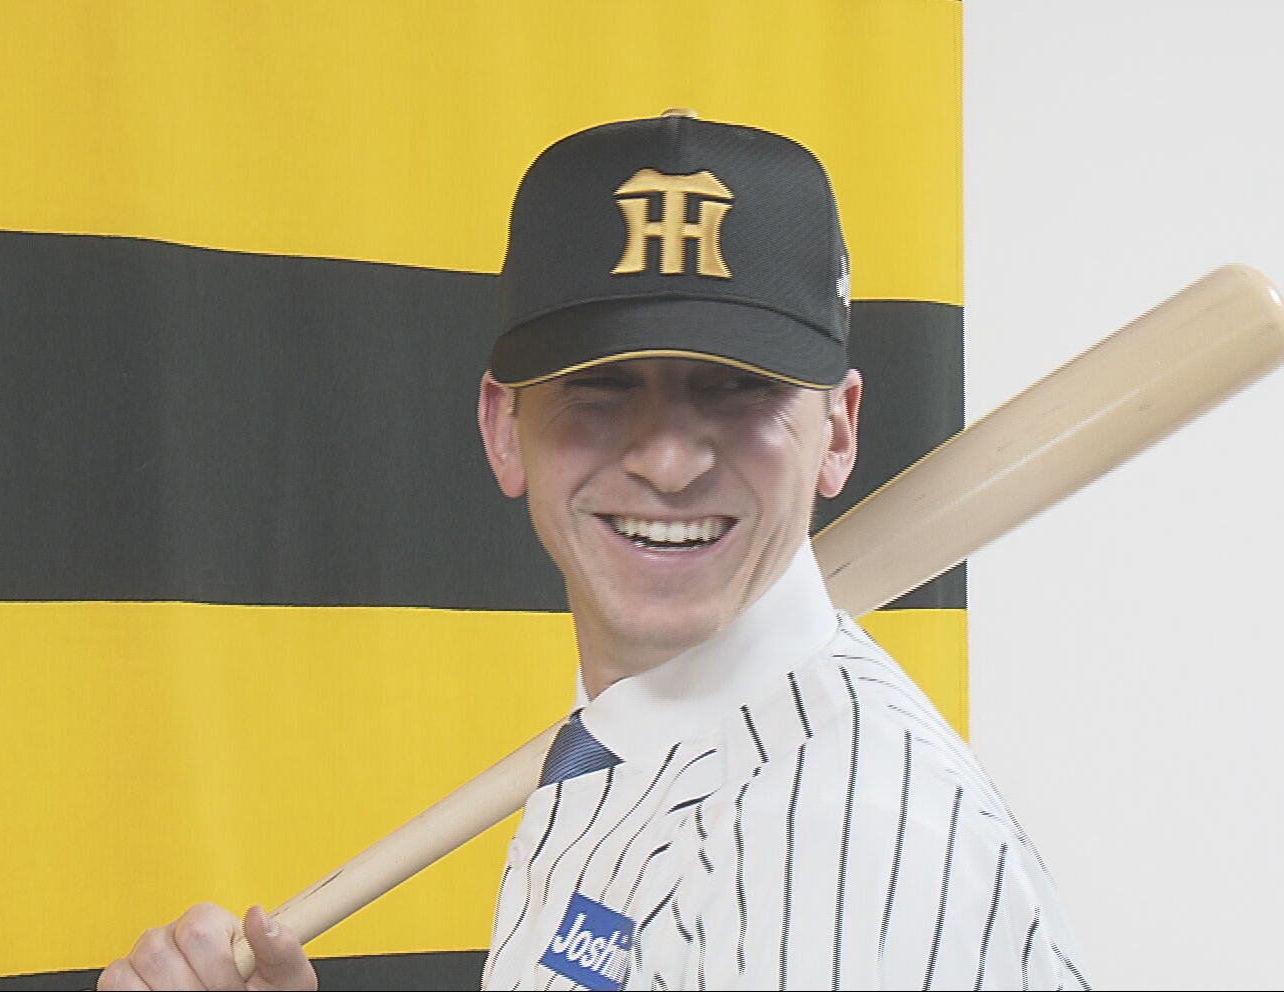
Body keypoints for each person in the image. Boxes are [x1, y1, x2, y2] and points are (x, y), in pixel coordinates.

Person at [97, 112, 1084, 991]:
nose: (668, 460)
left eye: (736, 387)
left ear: (837, 431)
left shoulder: (829, 847)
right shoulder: (629, 742)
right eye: (603, 385)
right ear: (503, 428)